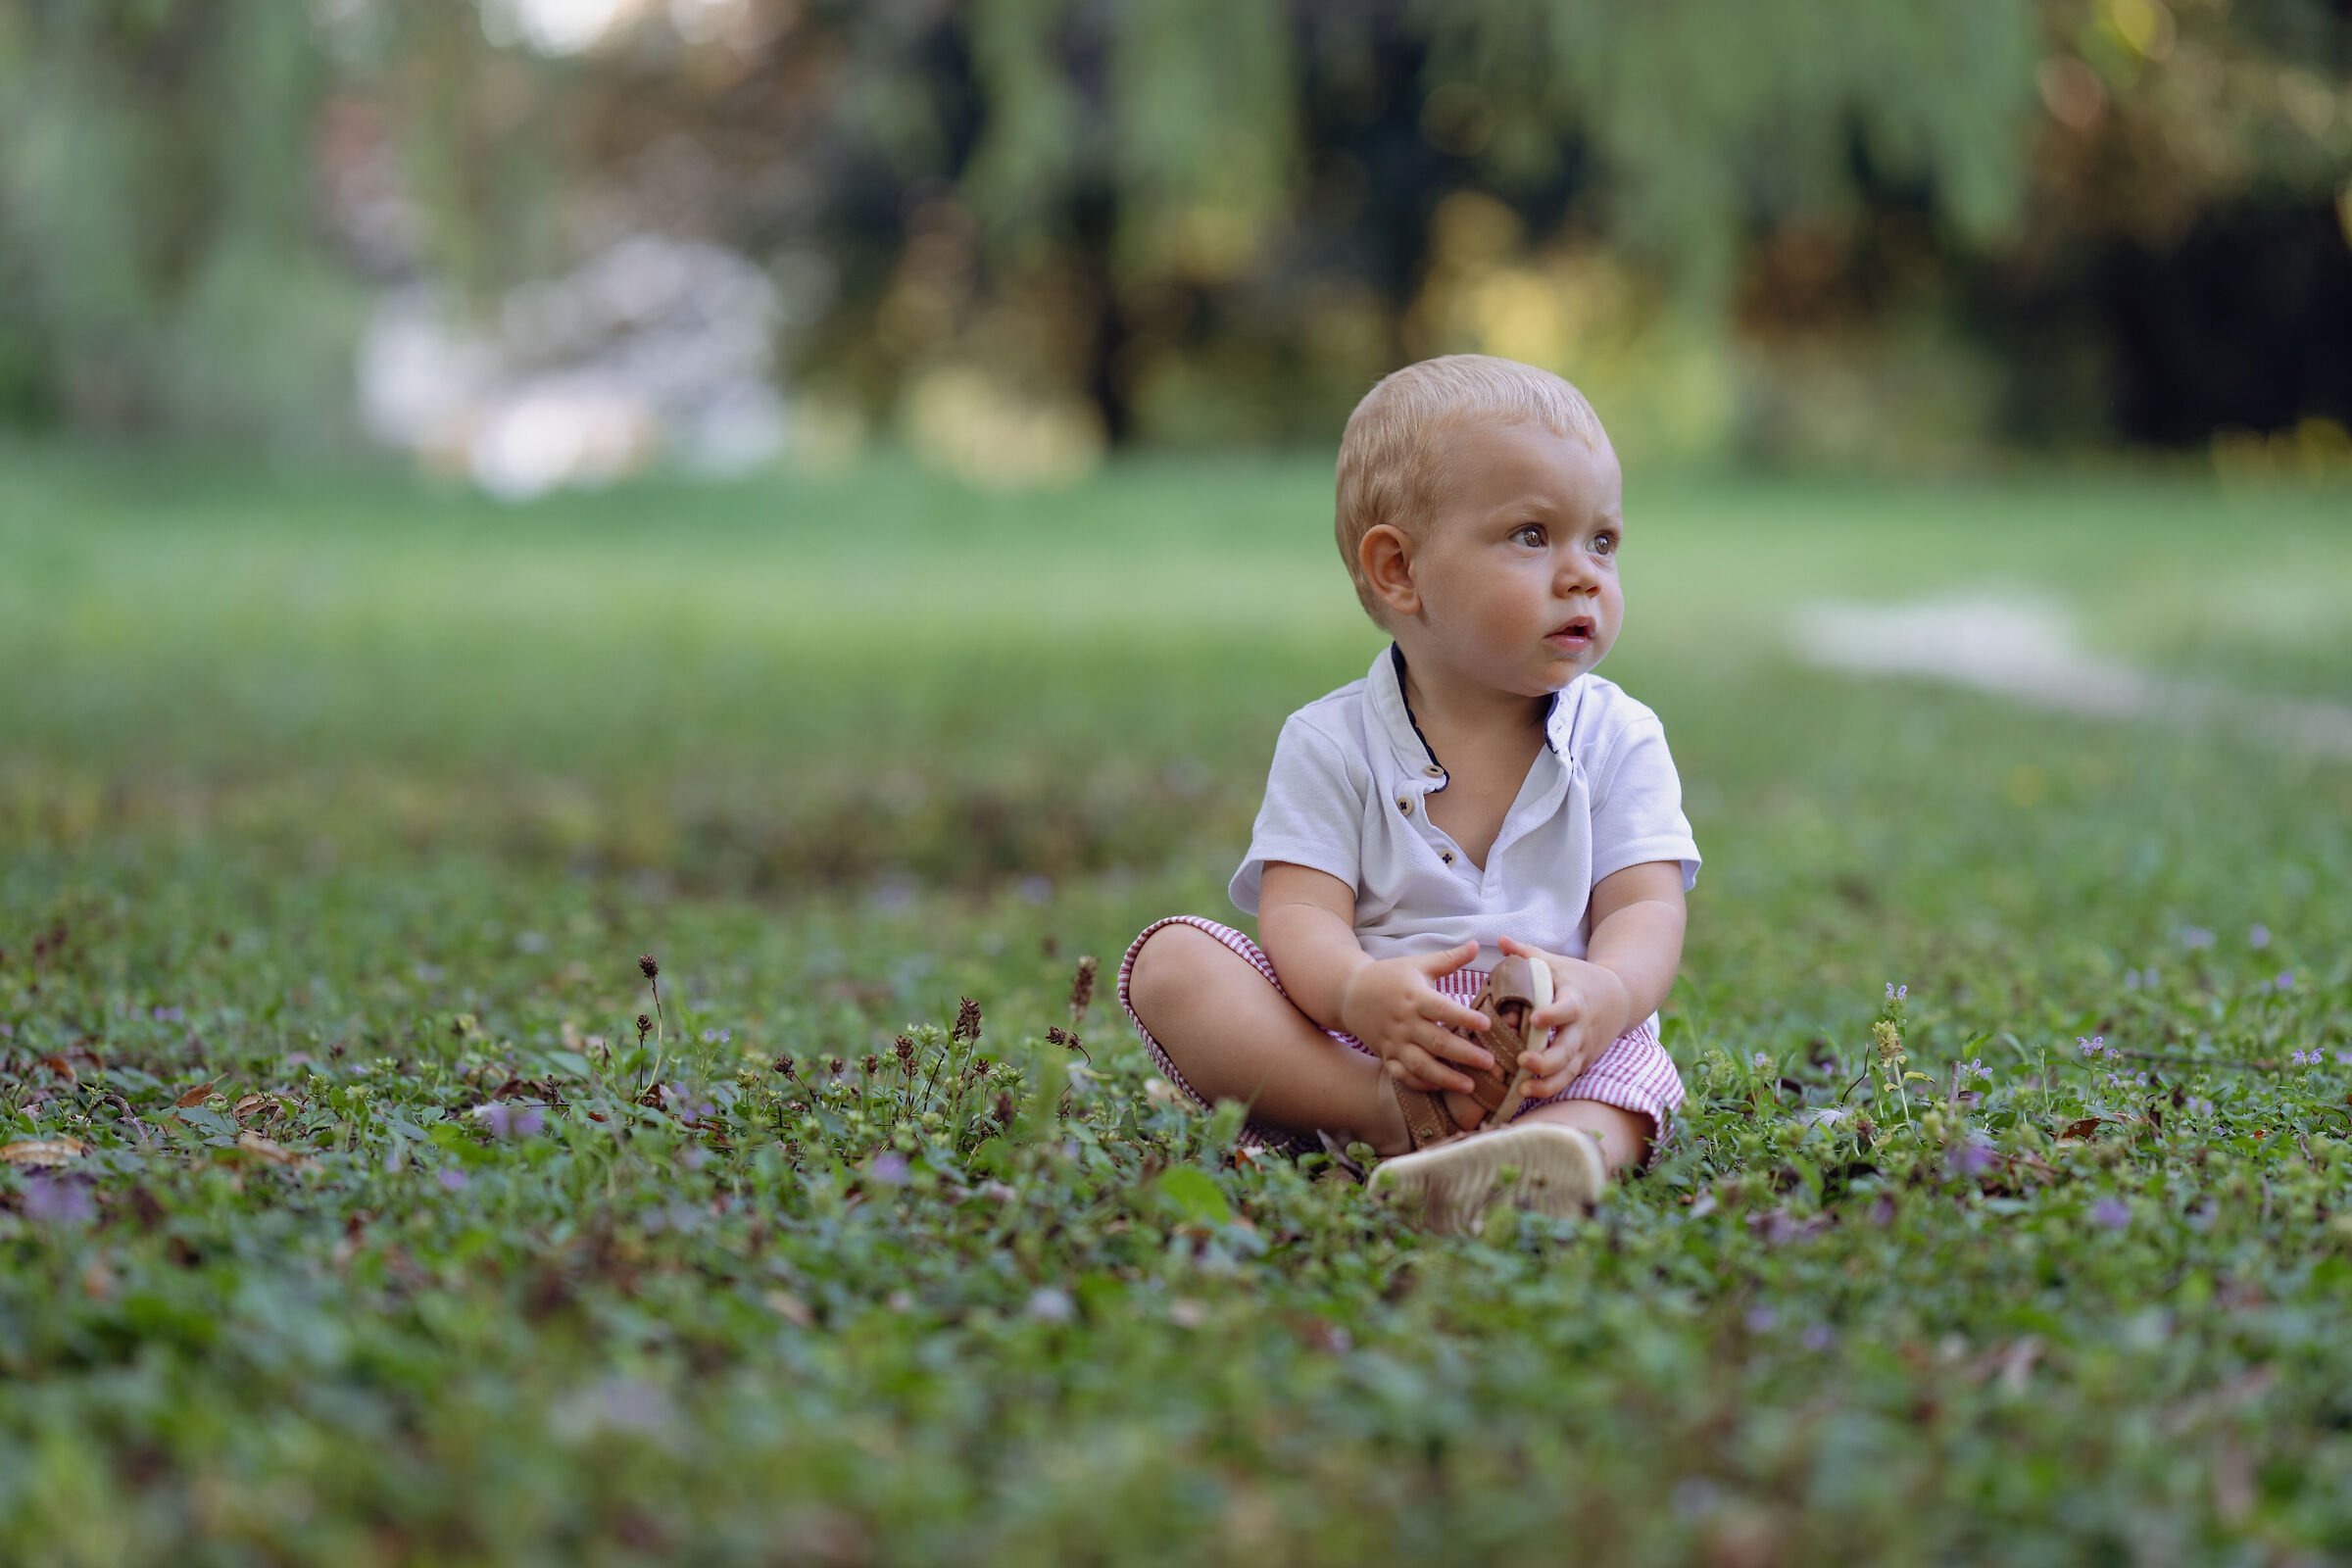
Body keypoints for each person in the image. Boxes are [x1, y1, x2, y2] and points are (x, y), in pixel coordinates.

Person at [1117, 355, 1699, 1231]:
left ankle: (1546, 1158)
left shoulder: (1620, 737)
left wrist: (1607, 994)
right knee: (1173, 963)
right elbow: (1301, 917)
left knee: (1629, 1083)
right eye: (1533, 535)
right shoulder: (1330, 742)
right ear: (1400, 571)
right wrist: (1357, 996)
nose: (1584, 573)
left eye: (1603, 541)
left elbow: (1646, 910)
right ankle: (1383, 1117)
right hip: (1373, 1039)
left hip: (1553, 1042)